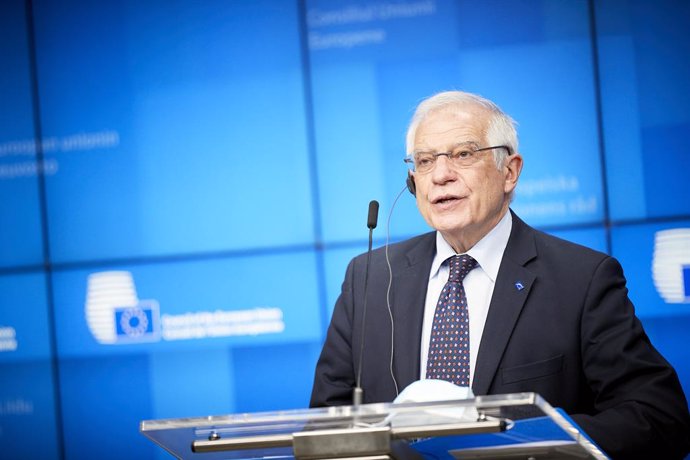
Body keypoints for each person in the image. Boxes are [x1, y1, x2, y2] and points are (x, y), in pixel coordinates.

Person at [310, 90, 690, 458]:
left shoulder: (582, 279)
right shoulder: (369, 278)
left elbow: (657, 418)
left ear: (509, 172)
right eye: (424, 161)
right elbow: (325, 425)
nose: (440, 175)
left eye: (463, 154)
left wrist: (508, 436)